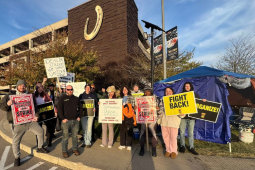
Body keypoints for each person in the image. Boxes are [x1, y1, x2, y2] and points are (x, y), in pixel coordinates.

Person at [0, 80, 48, 166]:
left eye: (24, 85)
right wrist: (7, 104)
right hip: (18, 122)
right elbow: (2, 107)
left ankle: (40, 147)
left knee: (40, 131)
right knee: (16, 141)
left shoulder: (30, 96)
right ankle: (17, 157)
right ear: (17, 86)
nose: (22, 87)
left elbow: (35, 107)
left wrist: (36, 115)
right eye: (20, 85)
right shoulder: (10, 95)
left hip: (30, 121)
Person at [179, 82, 206, 155]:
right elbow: (178, 106)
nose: (187, 87)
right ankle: (182, 146)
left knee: (191, 133)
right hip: (183, 117)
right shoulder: (181, 95)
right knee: (182, 132)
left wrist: (203, 102)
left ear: (191, 87)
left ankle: (191, 147)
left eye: (188, 86)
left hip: (192, 118)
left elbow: (199, 106)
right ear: (184, 87)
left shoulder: (195, 95)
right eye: (186, 86)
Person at [158, 87, 185, 158]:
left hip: (173, 122)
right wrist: (159, 118)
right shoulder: (162, 100)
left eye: (169, 91)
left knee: (173, 137)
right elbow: (160, 111)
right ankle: (168, 150)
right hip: (164, 122)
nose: (168, 92)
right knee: (165, 137)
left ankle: (174, 151)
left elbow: (181, 111)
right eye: (166, 91)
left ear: (172, 92)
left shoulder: (177, 100)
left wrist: (182, 114)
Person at [58, 85, 83, 158]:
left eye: (71, 89)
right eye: (68, 90)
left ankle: (75, 149)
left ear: (73, 90)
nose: (70, 91)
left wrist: (80, 116)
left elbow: (81, 108)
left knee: (75, 136)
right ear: (66, 90)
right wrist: (62, 118)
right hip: (66, 121)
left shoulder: (76, 98)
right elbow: (59, 109)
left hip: (75, 120)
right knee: (66, 136)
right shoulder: (62, 98)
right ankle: (64, 151)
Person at [33, 83, 57, 147]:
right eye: (39, 87)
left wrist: (55, 111)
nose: (41, 88)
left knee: (50, 127)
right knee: (38, 129)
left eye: (42, 87)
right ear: (36, 88)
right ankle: (40, 144)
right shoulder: (33, 96)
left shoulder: (46, 95)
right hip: (38, 114)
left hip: (47, 113)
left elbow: (51, 103)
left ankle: (49, 141)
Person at [139, 87, 160, 157]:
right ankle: (142, 149)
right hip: (143, 119)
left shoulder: (155, 98)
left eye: (148, 91)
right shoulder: (140, 99)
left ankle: (154, 150)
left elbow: (159, 107)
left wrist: (157, 108)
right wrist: (136, 107)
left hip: (152, 119)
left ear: (151, 92)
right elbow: (137, 108)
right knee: (142, 133)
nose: (147, 93)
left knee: (153, 134)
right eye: (145, 91)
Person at [118, 86, 136, 151]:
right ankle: (122, 144)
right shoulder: (120, 98)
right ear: (122, 91)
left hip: (129, 116)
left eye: (126, 89)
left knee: (129, 130)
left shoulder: (131, 98)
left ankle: (129, 145)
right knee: (122, 130)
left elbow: (133, 107)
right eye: (123, 89)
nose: (125, 90)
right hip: (121, 116)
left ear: (128, 90)